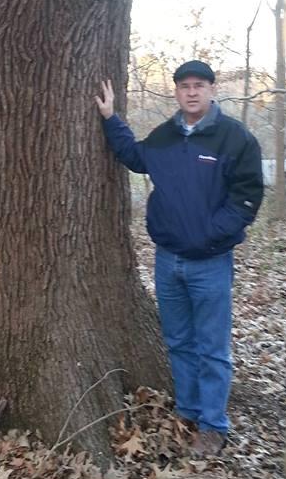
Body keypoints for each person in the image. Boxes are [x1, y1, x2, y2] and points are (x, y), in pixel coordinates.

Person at [95, 60, 263, 457]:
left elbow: (247, 196)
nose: (191, 92)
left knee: (212, 348)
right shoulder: (166, 136)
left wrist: (211, 234)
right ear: (176, 91)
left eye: (199, 85)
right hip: (168, 261)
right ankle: (188, 410)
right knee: (178, 342)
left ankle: (212, 426)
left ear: (211, 90)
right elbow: (135, 157)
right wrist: (109, 117)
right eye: (184, 85)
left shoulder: (234, 138)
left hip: (210, 263)